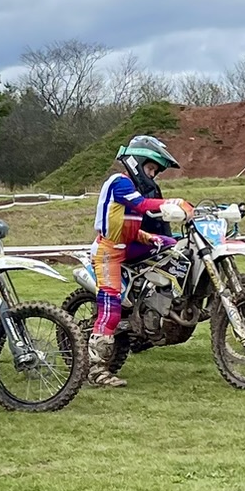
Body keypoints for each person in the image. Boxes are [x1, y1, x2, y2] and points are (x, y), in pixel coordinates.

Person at [80, 134, 184, 387]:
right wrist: (176, 203)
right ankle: (95, 369)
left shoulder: (134, 185)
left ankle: (153, 315)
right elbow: (143, 205)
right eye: (150, 169)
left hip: (132, 243)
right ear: (137, 162)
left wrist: (159, 239)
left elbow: (131, 225)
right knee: (111, 305)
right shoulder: (120, 182)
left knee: (178, 252)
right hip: (109, 251)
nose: (152, 175)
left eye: (155, 172)